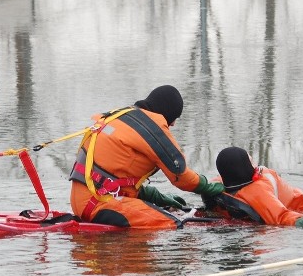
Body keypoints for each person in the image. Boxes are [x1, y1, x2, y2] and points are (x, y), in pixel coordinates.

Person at [69, 85, 225, 229]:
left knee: (167, 215)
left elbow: (112, 174)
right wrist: (209, 187)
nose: (173, 124)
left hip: (84, 201)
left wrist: (154, 196)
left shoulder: (120, 116)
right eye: (174, 118)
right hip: (101, 204)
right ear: (168, 111)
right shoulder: (152, 129)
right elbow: (182, 177)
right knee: (174, 224)